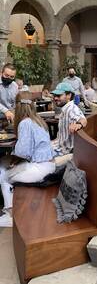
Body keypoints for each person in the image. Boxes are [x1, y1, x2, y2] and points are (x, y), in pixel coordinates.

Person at [0, 92, 55, 227]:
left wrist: (14, 158)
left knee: (3, 176)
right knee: (3, 163)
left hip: (39, 169)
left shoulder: (24, 123)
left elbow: (23, 152)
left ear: (18, 106)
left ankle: (11, 215)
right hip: (49, 165)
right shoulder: (39, 120)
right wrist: (15, 159)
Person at [51, 83, 87, 161]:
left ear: (69, 95)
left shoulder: (72, 109)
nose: (55, 98)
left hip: (63, 152)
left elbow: (83, 120)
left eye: (59, 95)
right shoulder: (66, 109)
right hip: (58, 146)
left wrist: (78, 124)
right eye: (55, 95)